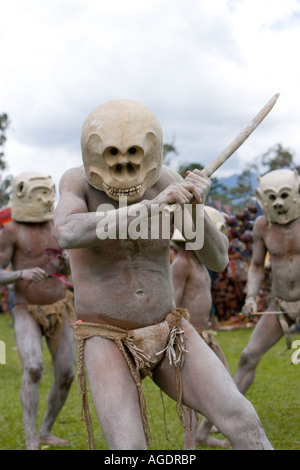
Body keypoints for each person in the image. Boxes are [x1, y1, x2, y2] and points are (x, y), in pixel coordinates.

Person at [54, 99, 273, 450]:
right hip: (107, 337)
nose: (124, 169)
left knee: (243, 420)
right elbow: (66, 231)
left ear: (151, 155)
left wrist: (195, 209)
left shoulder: (167, 181)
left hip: (170, 329)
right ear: (92, 156)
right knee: (129, 451)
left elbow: (216, 259)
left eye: (134, 156)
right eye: (113, 156)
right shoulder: (77, 182)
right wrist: (152, 206)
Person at [0, 172, 76, 450]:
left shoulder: (58, 225)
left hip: (60, 305)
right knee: (33, 367)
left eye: (48, 193)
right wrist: (19, 273)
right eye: (39, 194)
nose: (45, 199)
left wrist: (67, 263)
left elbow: (70, 270)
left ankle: (45, 430)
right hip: (25, 309)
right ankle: (31, 442)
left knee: (67, 373)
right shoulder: (12, 230)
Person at [234, 169, 300, 394]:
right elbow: (258, 265)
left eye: (284, 195)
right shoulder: (262, 226)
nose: (279, 203)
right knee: (248, 356)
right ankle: (222, 417)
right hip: (281, 303)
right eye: (272, 198)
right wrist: (250, 296)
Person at [170, 207, 230, 449]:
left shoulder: (201, 263)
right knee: (192, 399)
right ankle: (189, 447)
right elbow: (171, 304)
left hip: (204, 336)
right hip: (188, 339)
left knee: (225, 383)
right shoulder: (183, 263)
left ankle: (204, 433)